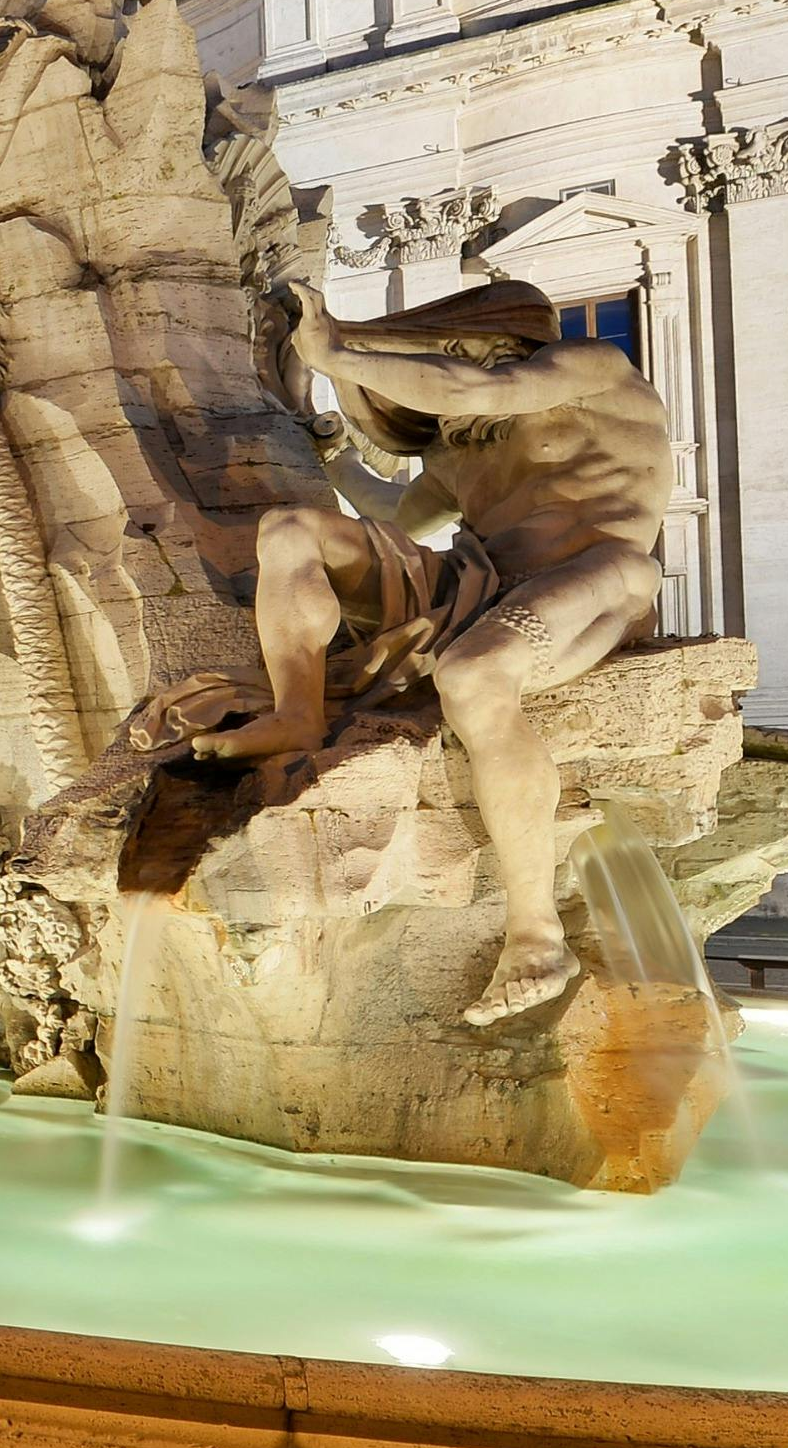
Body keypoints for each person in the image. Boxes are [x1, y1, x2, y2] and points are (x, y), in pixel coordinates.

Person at [191, 276, 668, 1027]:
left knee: (474, 673)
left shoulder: (587, 367)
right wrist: (337, 457)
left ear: (482, 343)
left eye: (441, 357)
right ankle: (296, 713)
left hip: (602, 572)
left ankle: (537, 933)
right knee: (289, 530)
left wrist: (339, 353)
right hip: (483, 585)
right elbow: (399, 512)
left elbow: (481, 391)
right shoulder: (455, 448)